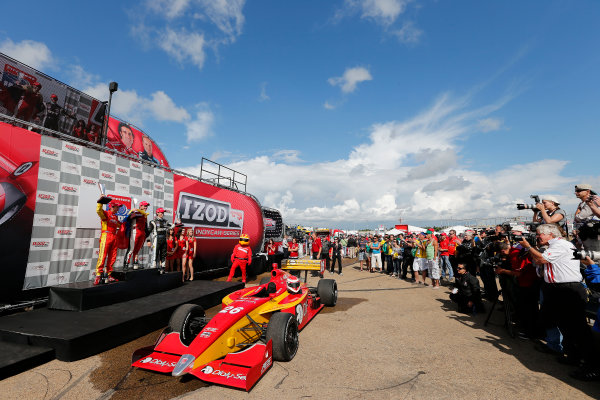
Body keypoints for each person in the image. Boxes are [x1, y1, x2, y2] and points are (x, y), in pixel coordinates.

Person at [517, 223, 598, 379]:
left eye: (540, 233)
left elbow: (541, 260)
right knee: (564, 325)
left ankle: (591, 365)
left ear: (551, 234)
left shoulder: (561, 245)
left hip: (568, 289)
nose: (537, 236)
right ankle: (573, 356)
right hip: (556, 288)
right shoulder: (553, 246)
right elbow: (542, 267)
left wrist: (528, 247)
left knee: (578, 329)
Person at [94, 199, 121, 285]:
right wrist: (100, 202)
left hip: (114, 236)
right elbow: (98, 210)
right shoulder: (106, 214)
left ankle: (108, 274)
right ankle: (98, 275)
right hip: (106, 235)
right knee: (103, 255)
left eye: (118, 207)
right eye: (117, 207)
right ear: (112, 206)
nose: (118, 209)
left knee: (112, 257)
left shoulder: (115, 217)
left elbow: (120, 225)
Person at [573, 183, 600, 251]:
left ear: (588, 191)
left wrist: (578, 210)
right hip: (586, 231)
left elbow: (579, 217)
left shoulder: (593, 200)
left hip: (593, 231)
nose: (576, 193)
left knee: (594, 253)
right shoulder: (583, 203)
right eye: (576, 191)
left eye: (579, 191)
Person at [124, 201, 150, 270]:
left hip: (142, 233)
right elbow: (127, 219)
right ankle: (126, 264)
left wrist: (148, 238)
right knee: (131, 249)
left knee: (137, 249)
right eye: (144, 206)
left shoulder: (145, 215)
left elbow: (146, 226)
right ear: (140, 206)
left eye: (146, 206)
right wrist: (132, 213)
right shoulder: (134, 212)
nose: (146, 207)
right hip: (135, 231)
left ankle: (135, 263)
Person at [147, 207, 170, 273]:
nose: (162, 214)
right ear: (157, 213)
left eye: (163, 212)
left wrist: (177, 223)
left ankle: (162, 268)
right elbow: (148, 231)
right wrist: (148, 240)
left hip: (164, 239)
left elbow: (172, 226)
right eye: (161, 212)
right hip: (156, 239)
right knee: (155, 254)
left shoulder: (166, 221)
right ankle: (153, 269)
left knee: (163, 254)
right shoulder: (153, 222)